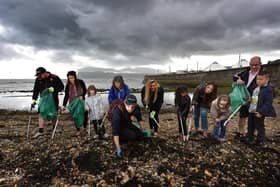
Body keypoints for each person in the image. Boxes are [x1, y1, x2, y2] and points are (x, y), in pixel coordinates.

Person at [233, 56, 262, 140]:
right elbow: (234, 76)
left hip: (255, 99)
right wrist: (237, 80)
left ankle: (252, 134)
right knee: (242, 116)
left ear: (260, 64)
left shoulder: (263, 74)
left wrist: (253, 98)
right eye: (251, 65)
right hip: (244, 98)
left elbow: (265, 88)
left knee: (254, 117)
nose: (253, 67)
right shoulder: (245, 72)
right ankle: (240, 132)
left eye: (256, 65)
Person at [32, 67, 64, 138]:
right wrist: (34, 100)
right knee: (41, 113)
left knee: (53, 113)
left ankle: (54, 128)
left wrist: (54, 89)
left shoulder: (54, 77)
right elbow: (36, 90)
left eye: (40, 75)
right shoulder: (38, 79)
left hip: (53, 98)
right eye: (38, 75)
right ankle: (40, 131)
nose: (39, 77)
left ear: (45, 73)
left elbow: (61, 87)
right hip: (43, 99)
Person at [246, 71, 276, 146]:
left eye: (261, 79)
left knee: (259, 126)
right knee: (250, 125)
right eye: (257, 79)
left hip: (259, 112)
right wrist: (251, 100)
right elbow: (255, 98)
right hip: (252, 110)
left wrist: (261, 112)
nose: (258, 81)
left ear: (267, 79)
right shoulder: (256, 88)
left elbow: (268, 103)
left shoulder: (268, 90)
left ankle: (260, 140)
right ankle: (249, 137)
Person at [111, 95, 145, 159]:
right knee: (132, 136)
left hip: (127, 123)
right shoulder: (117, 111)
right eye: (128, 106)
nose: (130, 108)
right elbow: (115, 131)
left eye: (132, 107)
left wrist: (143, 130)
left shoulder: (136, 108)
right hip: (119, 126)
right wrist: (118, 148)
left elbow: (140, 120)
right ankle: (120, 140)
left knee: (140, 135)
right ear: (125, 103)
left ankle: (131, 135)